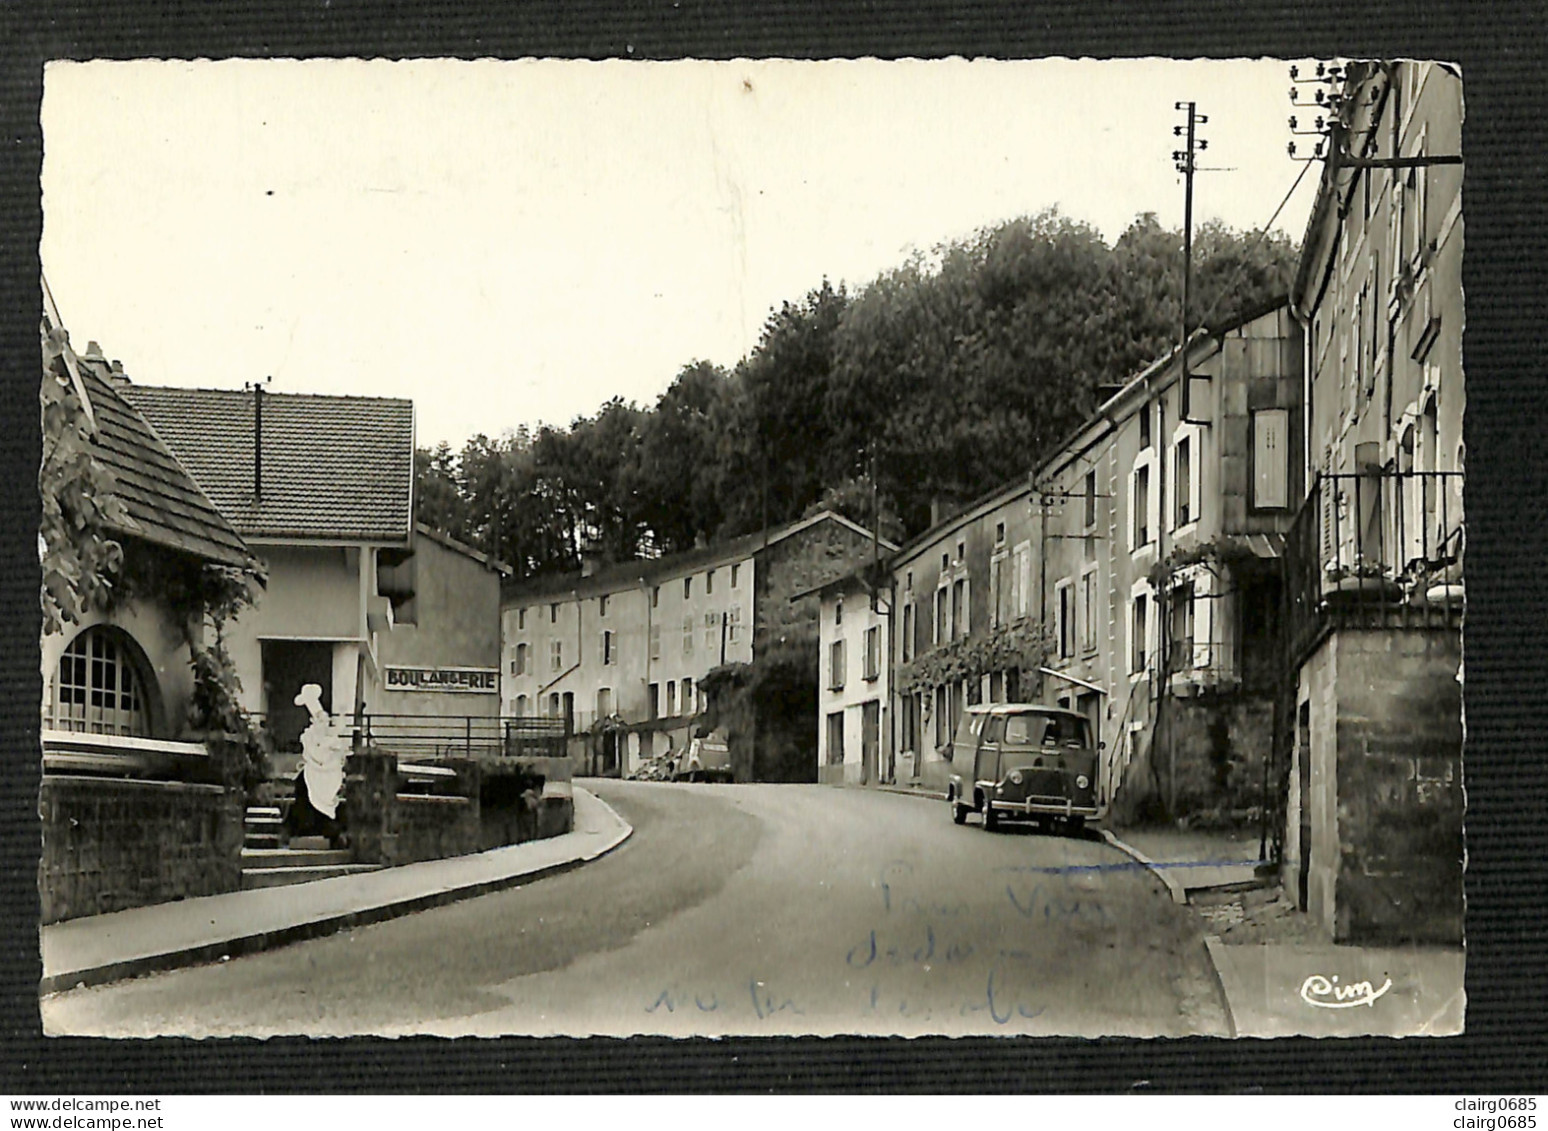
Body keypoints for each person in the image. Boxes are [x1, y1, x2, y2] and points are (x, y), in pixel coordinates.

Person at [284, 684, 347, 847]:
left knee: (329, 798)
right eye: (320, 720)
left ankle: (329, 830)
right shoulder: (309, 737)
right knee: (306, 796)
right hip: (312, 774)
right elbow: (315, 755)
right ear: (313, 721)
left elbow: (336, 753)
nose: (324, 724)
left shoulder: (330, 738)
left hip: (327, 775)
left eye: (325, 720)